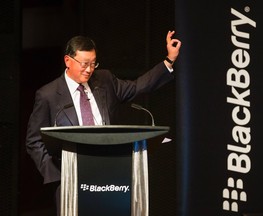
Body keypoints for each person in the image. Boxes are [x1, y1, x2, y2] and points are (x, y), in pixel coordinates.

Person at [25, 30, 181, 215]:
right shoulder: (48, 95)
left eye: (93, 63)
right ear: (68, 61)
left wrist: (169, 61)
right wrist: (57, 176)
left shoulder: (105, 80)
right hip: (71, 178)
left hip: (112, 173)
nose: (89, 69)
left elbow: (139, 86)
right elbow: (34, 141)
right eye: (84, 64)